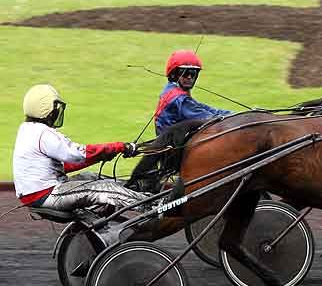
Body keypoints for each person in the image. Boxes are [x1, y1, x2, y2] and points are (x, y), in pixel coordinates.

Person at [13, 84, 148, 212]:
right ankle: (153, 206)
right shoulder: (43, 134)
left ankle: (135, 189)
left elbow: (67, 165)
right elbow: (76, 155)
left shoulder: (27, 130)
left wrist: (102, 156)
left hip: (38, 194)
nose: (56, 114)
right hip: (47, 194)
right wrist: (118, 147)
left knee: (90, 176)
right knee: (105, 188)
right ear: (47, 111)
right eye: (55, 110)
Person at [154, 50, 231, 135]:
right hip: (174, 145)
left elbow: (203, 108)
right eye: (185, 73)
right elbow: (208, 118)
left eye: (193, 73)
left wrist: (234, 114)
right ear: (173, 74)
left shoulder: (171, 90)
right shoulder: (178, 98)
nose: (189, 77)